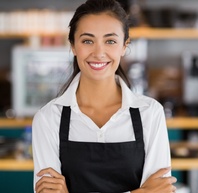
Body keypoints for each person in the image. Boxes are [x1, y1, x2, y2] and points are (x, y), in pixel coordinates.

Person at [32, 0, 176, 192]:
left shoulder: (149, 113)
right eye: (87, 41)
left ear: (124, 46)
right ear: (73, 46)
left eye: (110, 41)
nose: (99, 53)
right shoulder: (49, 118)